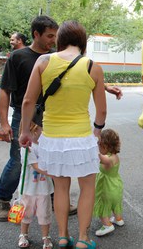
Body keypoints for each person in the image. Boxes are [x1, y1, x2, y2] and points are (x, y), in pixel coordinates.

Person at [19, 20, 106, 249]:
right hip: (81, 137)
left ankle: (63, 236)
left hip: (53, 138)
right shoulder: (93, 67)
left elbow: (28, 100)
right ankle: (83, 238)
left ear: (60, 39)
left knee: (61, 188)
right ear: (82, 41)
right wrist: (97, 131)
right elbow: (102, 110)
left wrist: (25, 131)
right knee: (87, 187)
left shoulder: (43, 62)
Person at [0, 16, 59, 222]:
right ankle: (2, 198)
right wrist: (4, 124)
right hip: (24, 116)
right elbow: (5, 91)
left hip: (50, 117)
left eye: (55, 36)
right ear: (36, 34)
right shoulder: (18, 57)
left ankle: (54, 198)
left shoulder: (55, 57)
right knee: (18, 161)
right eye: (49, 36)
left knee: (52, 158)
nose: (53, 40)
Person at [17, 121, 53, 249]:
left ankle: (46, 237)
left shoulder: (45, 145)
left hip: (43, 188)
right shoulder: (27, 147)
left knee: (44, 213)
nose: (43, 132)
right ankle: (23, 234)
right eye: (41, 130)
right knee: (26, 213)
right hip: (28, 188)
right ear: (33, 130)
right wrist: (55, 173)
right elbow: (36, 166)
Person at [93, 128, 124, 236]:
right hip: (116, 185)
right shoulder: (115, 157)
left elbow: (100, 157)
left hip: (106, 188)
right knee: (115, 203)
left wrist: (91, 147)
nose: (98, 147)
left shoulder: (107, 159)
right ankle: (118, 219)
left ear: (105, 146)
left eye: (99, 145)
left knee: (102, 206)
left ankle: (107, 225)